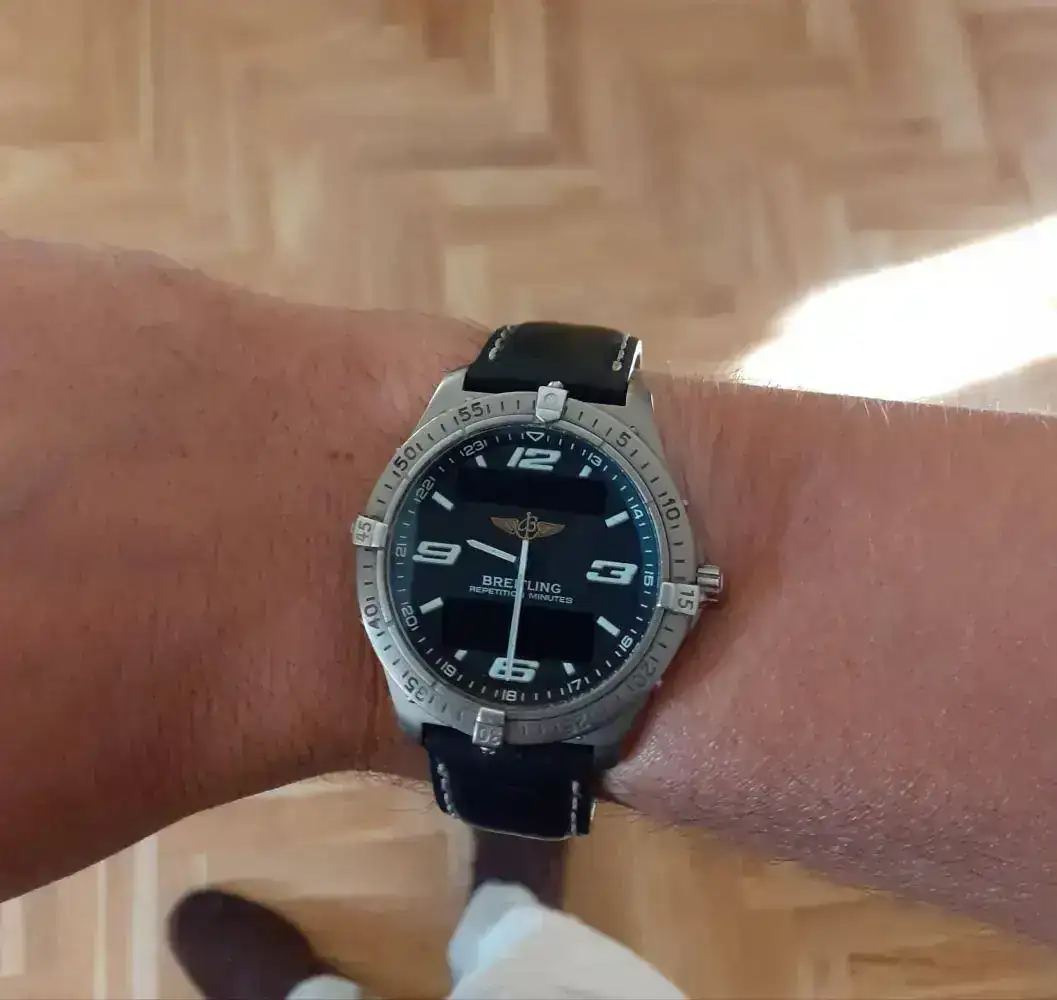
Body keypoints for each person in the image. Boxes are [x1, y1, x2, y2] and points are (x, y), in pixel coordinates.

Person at [2, 240, 1057, 989]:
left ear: (688, 585)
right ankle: (506, 918)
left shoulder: (643, 578)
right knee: (535, 966)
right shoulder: (463, 540)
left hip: (534, 679)